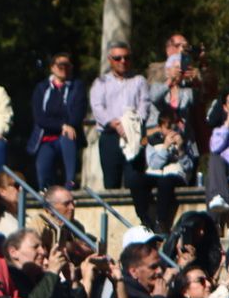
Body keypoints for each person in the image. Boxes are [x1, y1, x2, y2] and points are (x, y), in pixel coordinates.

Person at [90, 42, 155, 227]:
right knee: (111, 180)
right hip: (110, 136)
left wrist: (131, 124)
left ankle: (139, 221)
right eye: (118, 58)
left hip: (134, 136)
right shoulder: (100, 82)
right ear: (110, 60)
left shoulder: (139, 81)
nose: (123, 61)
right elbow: (97, 107)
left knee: (134, 177)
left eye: (126, 57)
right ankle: (112, 222)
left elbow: (144, 104)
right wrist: (115, 123)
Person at [29, 50, 87, 190]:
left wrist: (69, 125)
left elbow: (78, 112)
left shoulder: (77, 87)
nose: (64, 69)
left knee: (68, 136)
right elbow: (40, 118)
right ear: (52, 68)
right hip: (46, 137)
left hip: (68, 135)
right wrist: (62, 125)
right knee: (43, 167)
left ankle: (70, 184)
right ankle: (45, 191)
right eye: (60, 65)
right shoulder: (42, 89)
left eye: (67, 65)